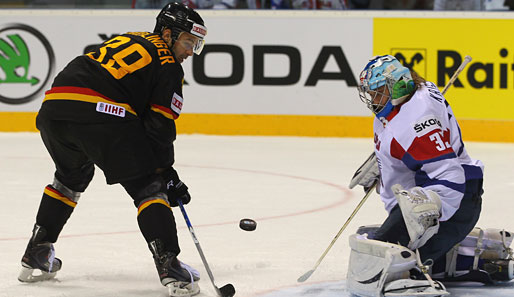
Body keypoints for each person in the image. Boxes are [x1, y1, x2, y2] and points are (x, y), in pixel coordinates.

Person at [18, 2, 207, 296]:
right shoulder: (168, 66)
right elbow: (159, 128)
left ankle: (38, 251)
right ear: (168, 33)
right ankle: (170, 266)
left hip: (54, 108)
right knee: (149, 187)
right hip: (101, 112)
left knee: (71, 176)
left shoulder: (129, 37)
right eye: (187, 42)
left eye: (195, 45)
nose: (189, 52)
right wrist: (166, 173)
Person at [346, 55, 513, 297]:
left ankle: (439, 262)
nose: (372, 98)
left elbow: (451, 176)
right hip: (435, 194)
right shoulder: (415, 94)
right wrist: (385, 161)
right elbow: (406, 139)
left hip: (453, 201)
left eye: (378, 91)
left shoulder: (416, 123)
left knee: (379, 262)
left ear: (398, 85)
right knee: (371, 240)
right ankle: (459, 256)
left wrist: (427, 215)